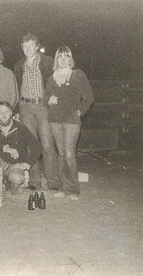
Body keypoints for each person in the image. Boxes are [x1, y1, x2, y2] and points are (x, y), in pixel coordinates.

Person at [44, 46, 94, 200]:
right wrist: (49, 100)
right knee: (61, 154)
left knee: (69, 153)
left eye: (66, 56)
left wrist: (79, 112)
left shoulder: (78, 75)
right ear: (56, 60)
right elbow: (45, 99)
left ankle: (73, 190)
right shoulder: (52, 78)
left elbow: (89, 97)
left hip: (72, 120)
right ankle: (61, 188)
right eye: (60, 56)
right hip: (55, 120)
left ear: (70, 59)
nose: (63, 59)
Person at [14, 33, 59, 191]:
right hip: (25, 107)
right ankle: (34, 181)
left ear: (37, 46)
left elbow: (56, 82)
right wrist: (17, 110)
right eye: (25, 46)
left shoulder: (47, 62)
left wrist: (54, 98)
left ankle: (52, 182)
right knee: (31, 146)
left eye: (31, 45)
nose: (28, 49)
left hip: (42, 107)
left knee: (47, 145)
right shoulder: (19, 65)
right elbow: (16, 88)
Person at [0, 101, 41, 194]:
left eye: (6, 112)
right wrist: (4, 148)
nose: (4, 115)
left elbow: (37, 147)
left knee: (17, 179)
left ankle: (12, 182)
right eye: (0, 112)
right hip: (1, 165)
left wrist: (27, 164)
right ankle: (0, 181)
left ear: (11, 113)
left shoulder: (20, 128)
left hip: (15, 165)